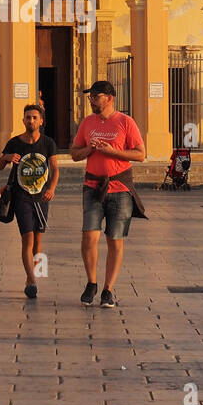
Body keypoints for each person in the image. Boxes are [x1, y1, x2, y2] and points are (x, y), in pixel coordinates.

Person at [71, 80, 146, 308]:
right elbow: (74, 154)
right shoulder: (87, 122)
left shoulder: (125, 122)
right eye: (90, 96)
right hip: (92, 187)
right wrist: (90, 149)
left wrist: (113, 151)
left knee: (115, 240)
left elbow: (141, 154)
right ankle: (91, 282)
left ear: (109, 98)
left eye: (95, 96)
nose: (91, 100)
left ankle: (108, 289)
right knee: (89, 236)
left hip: (120, 189)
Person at [0, 103, 59, 298]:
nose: (30, 120)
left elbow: (55, 169)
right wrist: (6, 157)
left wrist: (52, 188)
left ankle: (36, 273)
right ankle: (31, 280)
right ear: (23, 120)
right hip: (21, 197)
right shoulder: (14, 143)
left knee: (38, 242)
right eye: (27, 117)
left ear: (41, 121)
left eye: (34, 117)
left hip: (41, 197)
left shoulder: (48, 143)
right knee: (27, 239)